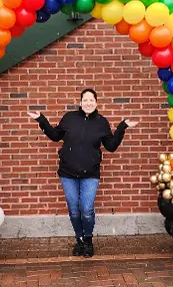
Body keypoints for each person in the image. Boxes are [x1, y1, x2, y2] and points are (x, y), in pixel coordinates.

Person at [27, 88, 138, 257]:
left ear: (96, 102)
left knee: (86, 209)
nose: (88, 103)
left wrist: (122, 127)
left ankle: (88, 241)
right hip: (67, 173)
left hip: (90, 174)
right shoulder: (69, 118)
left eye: (91, 100)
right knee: (74, 210)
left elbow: (111, 146)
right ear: (80, 102)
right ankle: (79, 239)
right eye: (85, 100)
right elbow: (56, 136)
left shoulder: (101, 122)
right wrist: (41, 120)